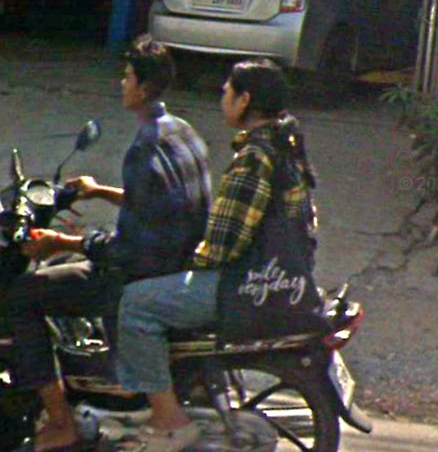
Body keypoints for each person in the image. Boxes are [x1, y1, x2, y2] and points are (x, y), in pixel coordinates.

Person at [7, 35, 212, 452]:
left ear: (143, 87)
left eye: (127, 76)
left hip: (139, 273)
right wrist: (99, 191)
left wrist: (62, 242)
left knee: (22, 296)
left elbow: (127, 249)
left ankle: (61, 423)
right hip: (176, 259)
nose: (122, 83)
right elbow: (154, 203)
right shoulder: (180, 130)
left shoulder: (144, 149)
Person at [116, 58, 320, 452]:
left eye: (227, 92)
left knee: (137, 303)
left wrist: (186, 262)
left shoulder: (255, 157)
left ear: (244, 100)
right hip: (278, 276)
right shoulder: (285, 147)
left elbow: (224, 244)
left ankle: (169, 420)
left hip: (244, 284)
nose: (221, 98)